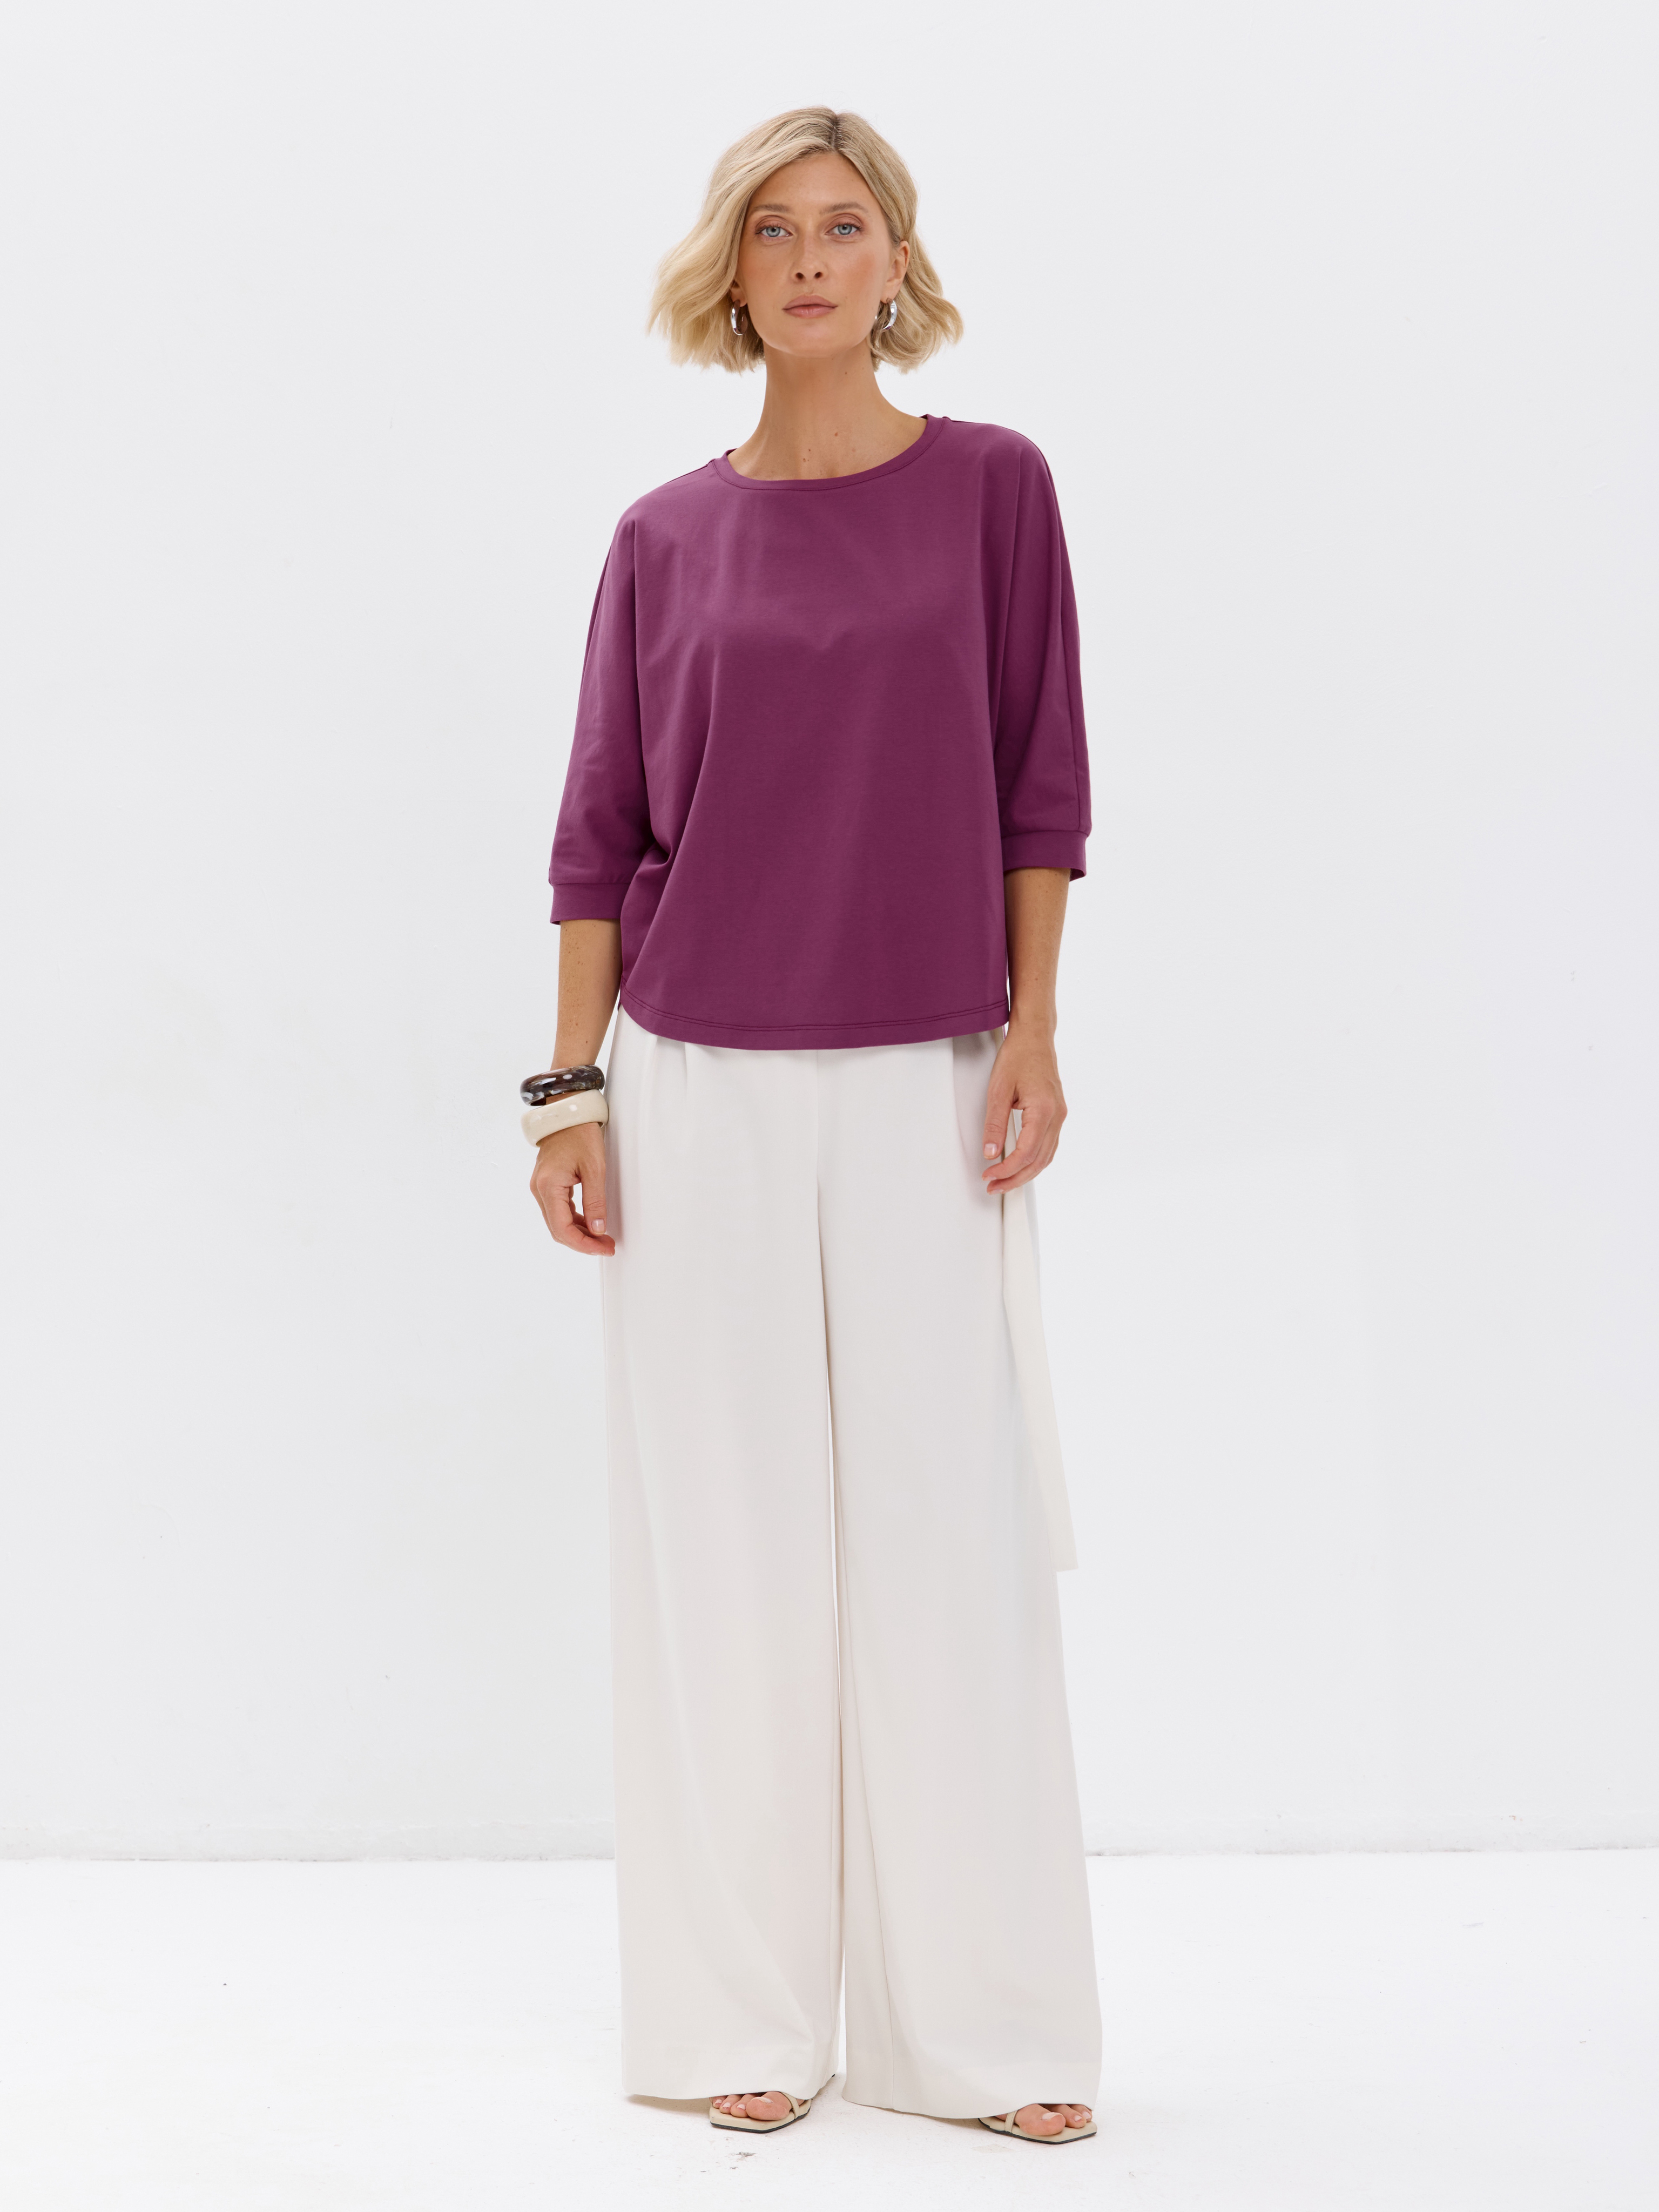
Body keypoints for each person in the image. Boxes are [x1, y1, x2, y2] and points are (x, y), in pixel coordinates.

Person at [528, 106, 1099, 2147]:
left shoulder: (994, 491)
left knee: (953, 1547)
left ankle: (985, 2039)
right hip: (697, 1086)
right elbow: (599, 838)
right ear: (732, 270)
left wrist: (1036, 1031)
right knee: (729, 1554)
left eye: (843, 226)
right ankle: (736, 2019)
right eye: (770, 229)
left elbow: (1042, 785)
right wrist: (571, 1092)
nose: (806, 259)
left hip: (933, 1069)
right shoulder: (662, 540)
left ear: (897, 263)